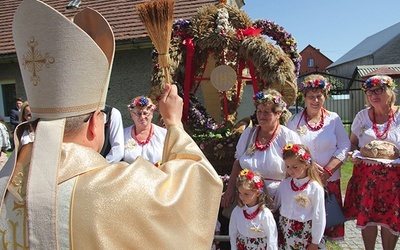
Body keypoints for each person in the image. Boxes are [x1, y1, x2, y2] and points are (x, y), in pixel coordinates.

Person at [0, 1, 222, 249]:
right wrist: (174, 124)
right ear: (95, 125)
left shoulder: (5, 186)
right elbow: (197, 188)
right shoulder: (116, 192)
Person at [286, 74, 350, 243]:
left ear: (325, 96)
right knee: (308, 229)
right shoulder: (294, 121)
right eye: (311, 96)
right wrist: (311, 167)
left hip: (330, 182)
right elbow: (290, 149)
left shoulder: (333, 119)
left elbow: (344, 145)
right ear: (304, 98)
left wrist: (328, 171)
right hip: (304, 182)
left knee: (328, 227)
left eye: (319, 96)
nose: (315, 100)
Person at [344, 75, 400, 250]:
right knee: (368, 220)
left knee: (390, 220)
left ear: (390, 92)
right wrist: (353, 153)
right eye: (370, 91)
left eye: (379, 90)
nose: (374, 95)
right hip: (366, 178)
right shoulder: (362, 116)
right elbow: (352, 142)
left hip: (394, 180)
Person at [221, 89, 301, 210]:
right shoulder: (248, 134)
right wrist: (230, 190)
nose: (261, 116)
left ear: (278, 114)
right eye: (259, 111)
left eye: (267, 112)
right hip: (247, 200)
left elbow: (297, 168)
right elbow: (237, 163)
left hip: (277, 200)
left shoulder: (287, 137)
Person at [275, 143, 325, 250]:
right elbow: (275, 205)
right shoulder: (284, 185)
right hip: (286, 232)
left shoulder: (314, 188)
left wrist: (315, 242)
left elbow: (319, 215)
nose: (290, 170)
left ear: (307, 164)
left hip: (305, 234)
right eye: (287, 166)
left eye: (295, 167)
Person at [229, 168, 278, 249]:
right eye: (240, 193)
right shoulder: (237, 211)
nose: (242, 197)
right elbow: (233, 233)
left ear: (257, 193)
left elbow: (272, 236)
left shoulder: (265, 213)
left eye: (246, 194)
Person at [123, 96, 166, 165]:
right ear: (132, 115)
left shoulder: (164, 134)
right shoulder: (123, 135)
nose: (142, 117)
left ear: (152, 114)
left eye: (145, 113)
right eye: (138, 114)